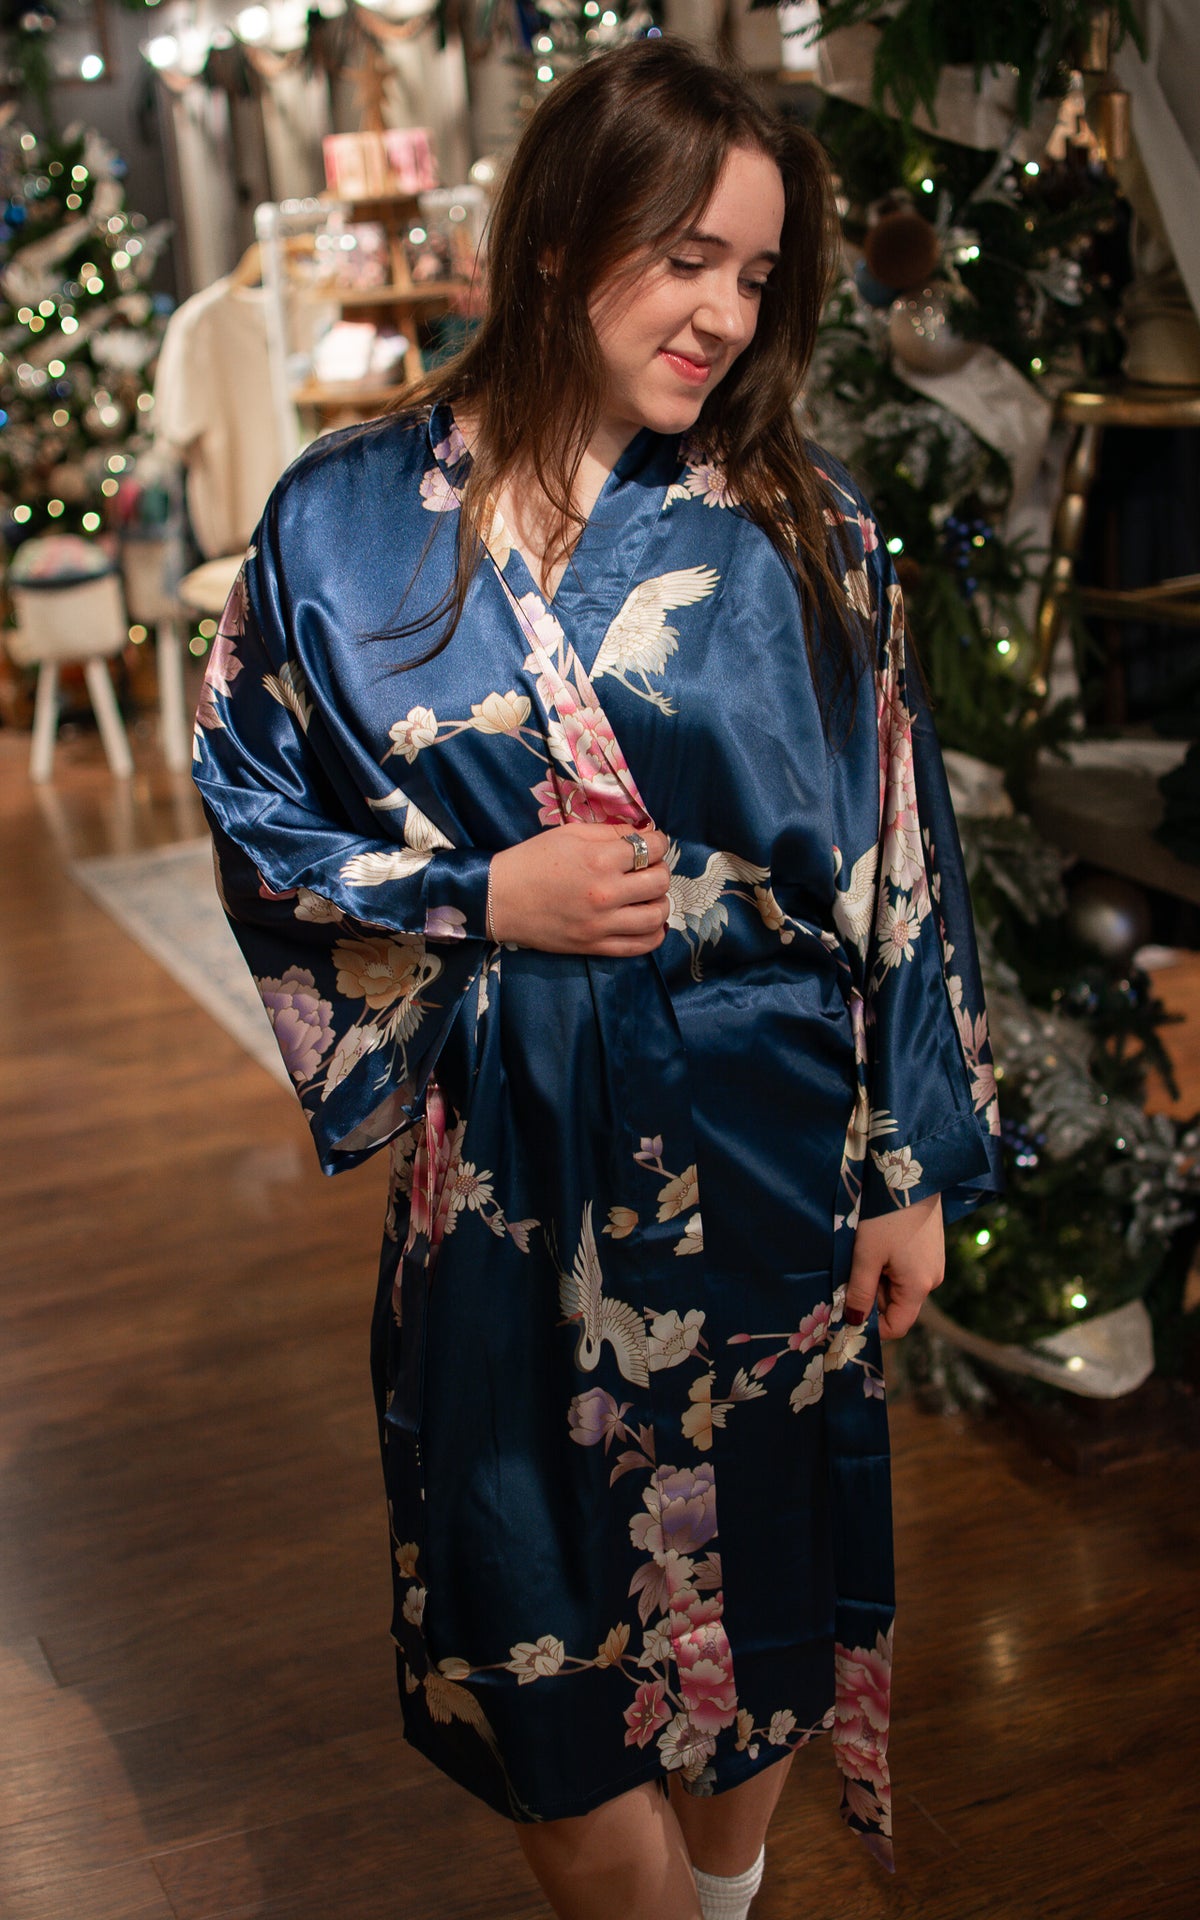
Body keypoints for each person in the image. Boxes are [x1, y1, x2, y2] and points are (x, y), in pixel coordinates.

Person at [193, 36, 1002, 1920]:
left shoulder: (807, 525)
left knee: (764, 1609)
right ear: (559, 236)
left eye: (756, 274)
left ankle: (730, 1898)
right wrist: (483, 893)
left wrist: (909, 1167)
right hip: (512, 1172)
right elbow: (251, 808)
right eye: (685, 256)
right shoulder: (342, 520)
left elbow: (901, 849)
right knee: (531, 1643)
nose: (724, 312)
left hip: (773, 1150)